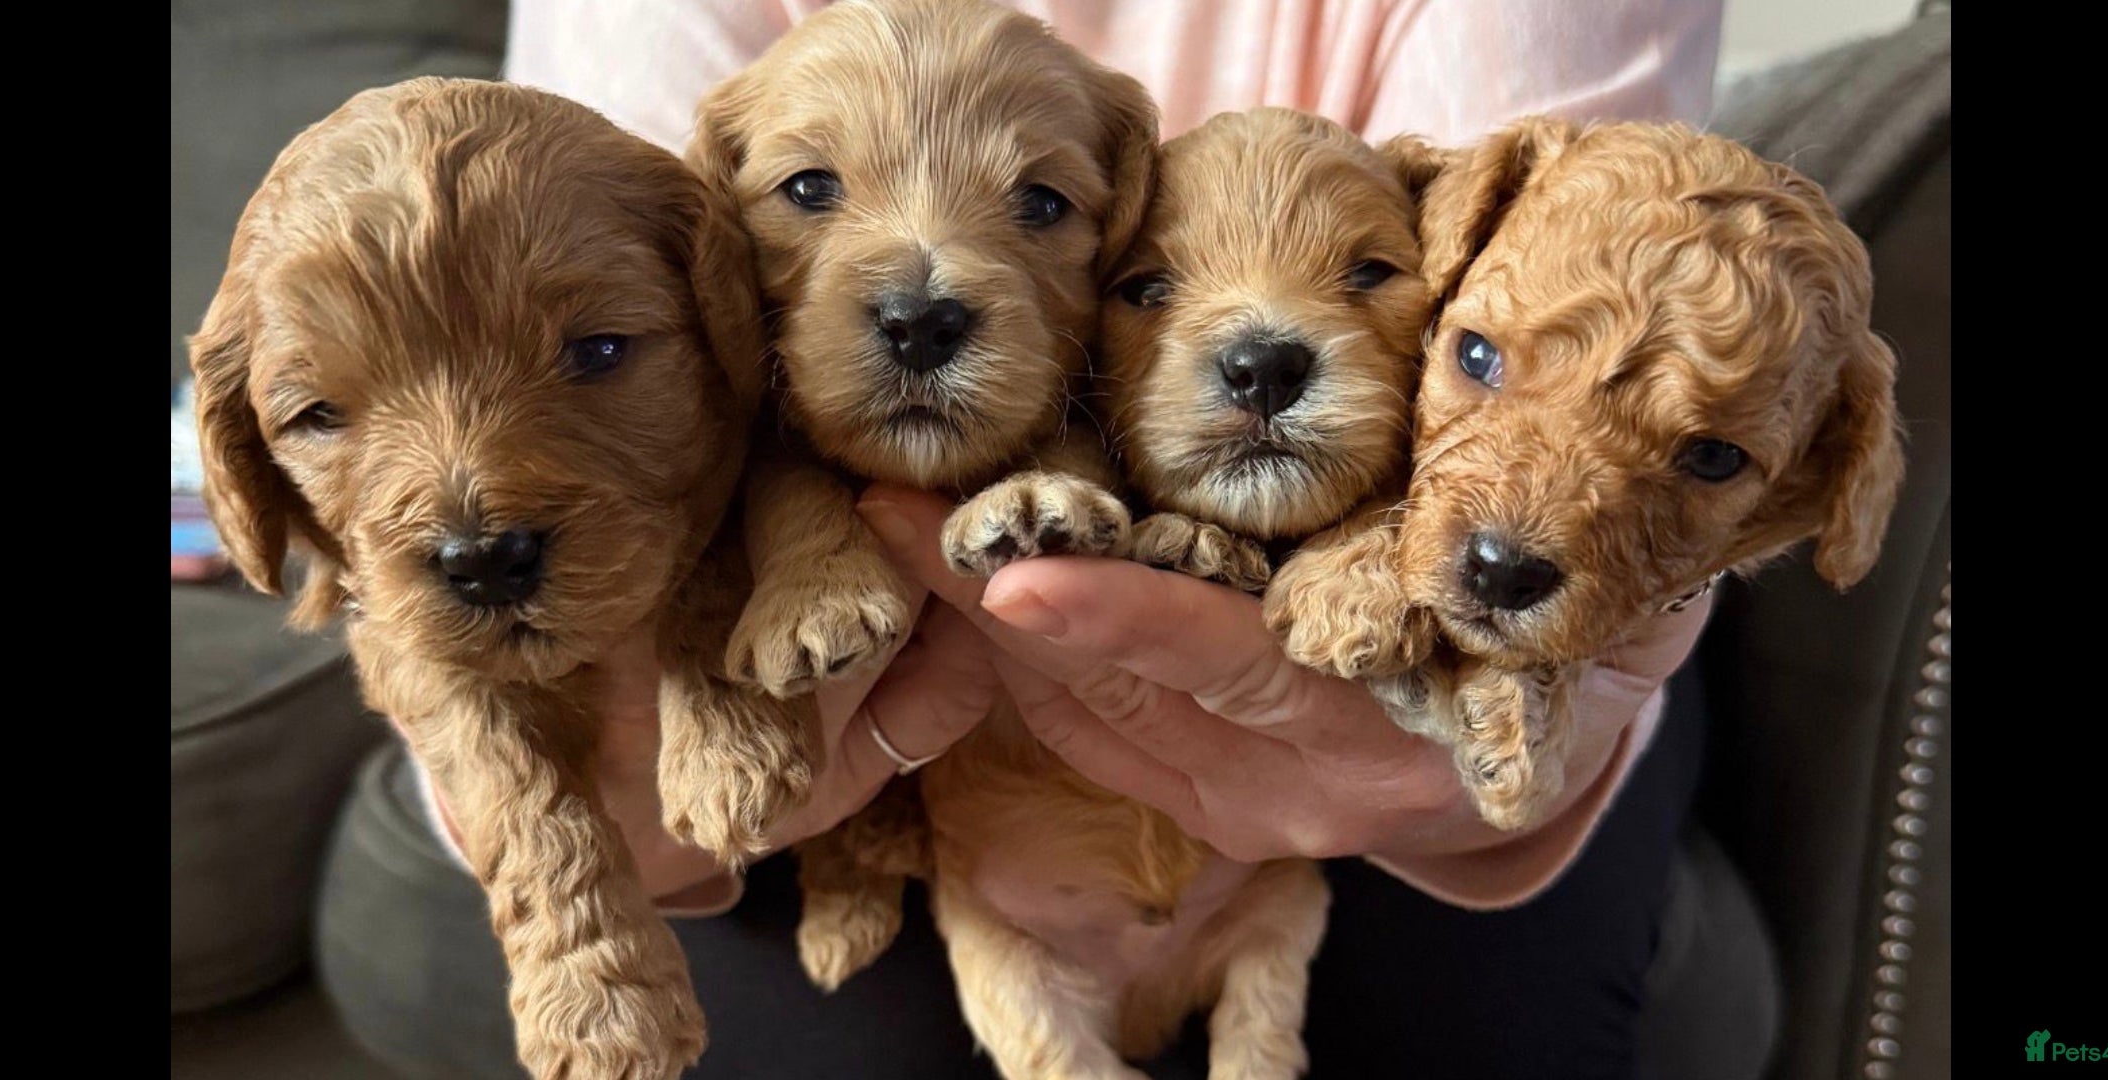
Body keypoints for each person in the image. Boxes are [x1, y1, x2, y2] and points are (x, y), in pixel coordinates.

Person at [320, 3, 1727, 1077]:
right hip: (856, 720)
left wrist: (1496, 718)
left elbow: (1571, 348)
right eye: (810, 195)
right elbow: (582, 328)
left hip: (1417, 617)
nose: (923, 283)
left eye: (1042, 206)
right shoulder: (680, 227)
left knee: (1447, 1016)